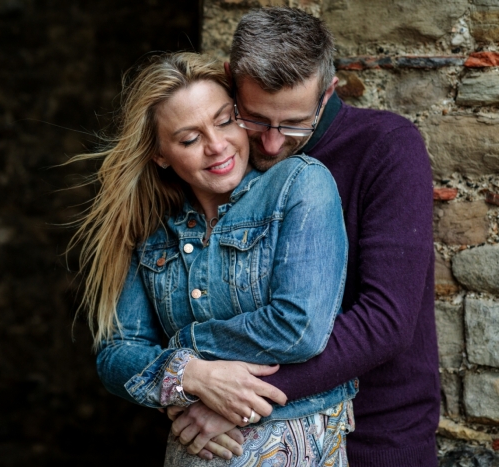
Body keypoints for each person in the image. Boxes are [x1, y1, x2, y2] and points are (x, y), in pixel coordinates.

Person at [171, 7, 440, 467]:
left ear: (328, 91)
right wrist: (191, 377)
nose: (272, 144)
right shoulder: (220, 163)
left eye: (295, 123)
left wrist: (244, 400)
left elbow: (385, 320)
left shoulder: (387, 148)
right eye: (255, 119)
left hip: (373, 439)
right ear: (232, 80)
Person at [67, 52, 358, 466]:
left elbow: (300, 328)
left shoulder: (298, 184)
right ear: (160, 154)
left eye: (225, 121)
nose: (216, 146)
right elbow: (116, 356)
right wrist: (192, 376)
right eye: (189, 139)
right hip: (195, 452)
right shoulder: (151, 228)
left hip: (296, 446)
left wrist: (185, 349)